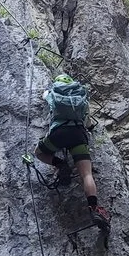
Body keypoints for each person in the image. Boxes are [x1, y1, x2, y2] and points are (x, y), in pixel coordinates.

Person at [33, 74, 111, 228]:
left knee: (39, 153)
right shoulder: (81, 95)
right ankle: (94, 209)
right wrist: (89, 127)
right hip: (78, 134)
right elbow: (87, 121)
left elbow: (45, 96)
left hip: (59, 132)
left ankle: (61, 164)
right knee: (87, 174)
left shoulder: (53, 93)